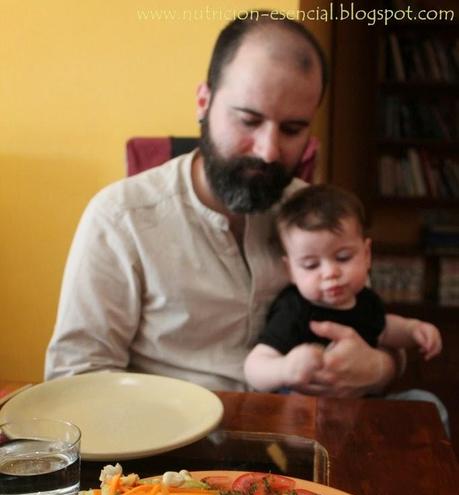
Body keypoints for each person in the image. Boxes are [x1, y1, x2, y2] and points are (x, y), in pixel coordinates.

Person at [45, 13, 401, 396]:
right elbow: (76, 379)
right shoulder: (121, 218)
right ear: (204, 101)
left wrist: (381, 368)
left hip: (303, 428)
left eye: (293, 129)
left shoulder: (315, 215)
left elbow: (375, 322)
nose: (268, 151)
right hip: (170, 440)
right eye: (249, 120)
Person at [244, 184, 443, 392]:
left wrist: (413, 330)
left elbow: (385, 330)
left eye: (343, 257)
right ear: (291, 271)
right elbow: (253, 368)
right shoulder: (294, 309)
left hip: (360, 407)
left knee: (426, 401)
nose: (330, 273)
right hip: (303, 411)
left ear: (366, 255)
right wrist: (285, 369)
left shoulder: (366, 301)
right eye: (311, 265)